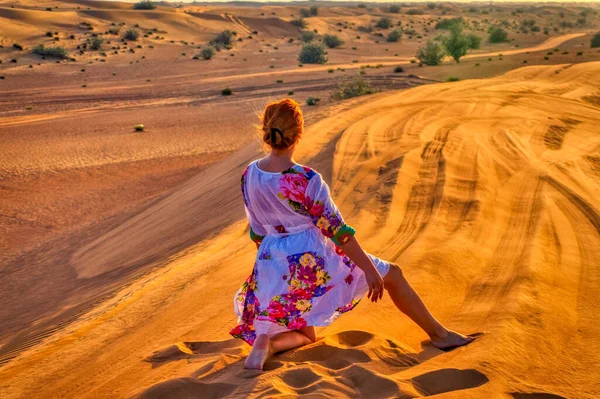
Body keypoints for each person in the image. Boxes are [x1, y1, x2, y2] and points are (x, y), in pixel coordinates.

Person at [230, 98, 473, 370]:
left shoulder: (250, 173)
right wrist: (369, 269)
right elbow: (338, 232)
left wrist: (273, 276)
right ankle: (440, 335)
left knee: (306, 335)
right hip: (311, 260)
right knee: (392, 273)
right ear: (299, 134)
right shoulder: (306, 179)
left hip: (271, 260)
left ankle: (268, 343)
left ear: (265, 130)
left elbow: (257, 231)